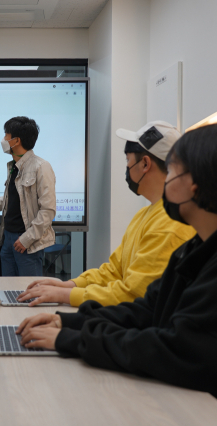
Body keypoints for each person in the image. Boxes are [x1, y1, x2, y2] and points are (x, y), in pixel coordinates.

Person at [16, 123, 217, 425]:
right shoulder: (204, 245)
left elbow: (177, 351)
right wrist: (68, 321)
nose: (167, 182)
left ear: (196, 184)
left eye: (173, 172)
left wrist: (73, 340)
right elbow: (149, 309)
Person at [18, 121, 195, 307]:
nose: (126, 168)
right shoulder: (144, 215)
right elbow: (114, 271)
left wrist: (65, 295)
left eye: (128, 160)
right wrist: (69, 285)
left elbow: (133, 295)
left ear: (145, 163)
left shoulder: (170, 224)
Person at [0, 116, 56, 276]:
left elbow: (48, 211)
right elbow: (8, 201)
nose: (3, 139)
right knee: (8, 291)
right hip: (8, 240)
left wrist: (26, 239)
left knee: (29, 294)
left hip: (27, 243)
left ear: (16, 141)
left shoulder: (41, 167)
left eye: (6, 135)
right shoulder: (14, 166)